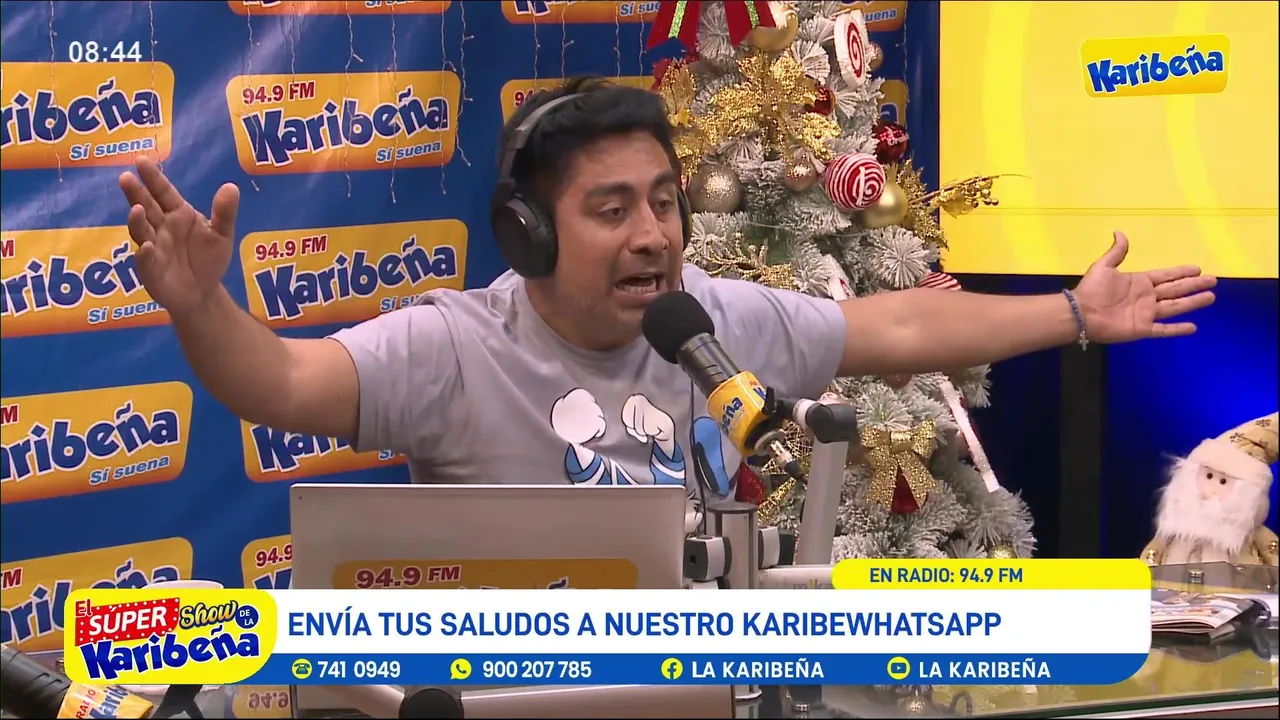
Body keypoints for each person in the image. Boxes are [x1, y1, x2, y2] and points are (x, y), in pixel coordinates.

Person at [117, 77, 1216, 509]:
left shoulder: (707, 321)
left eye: (662, 201)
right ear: (529, 231)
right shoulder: (451, 347)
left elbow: (890, 323)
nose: (652, 234)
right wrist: (200, 305)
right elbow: (280, 382)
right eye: (611, 210)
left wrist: (1074, 313)